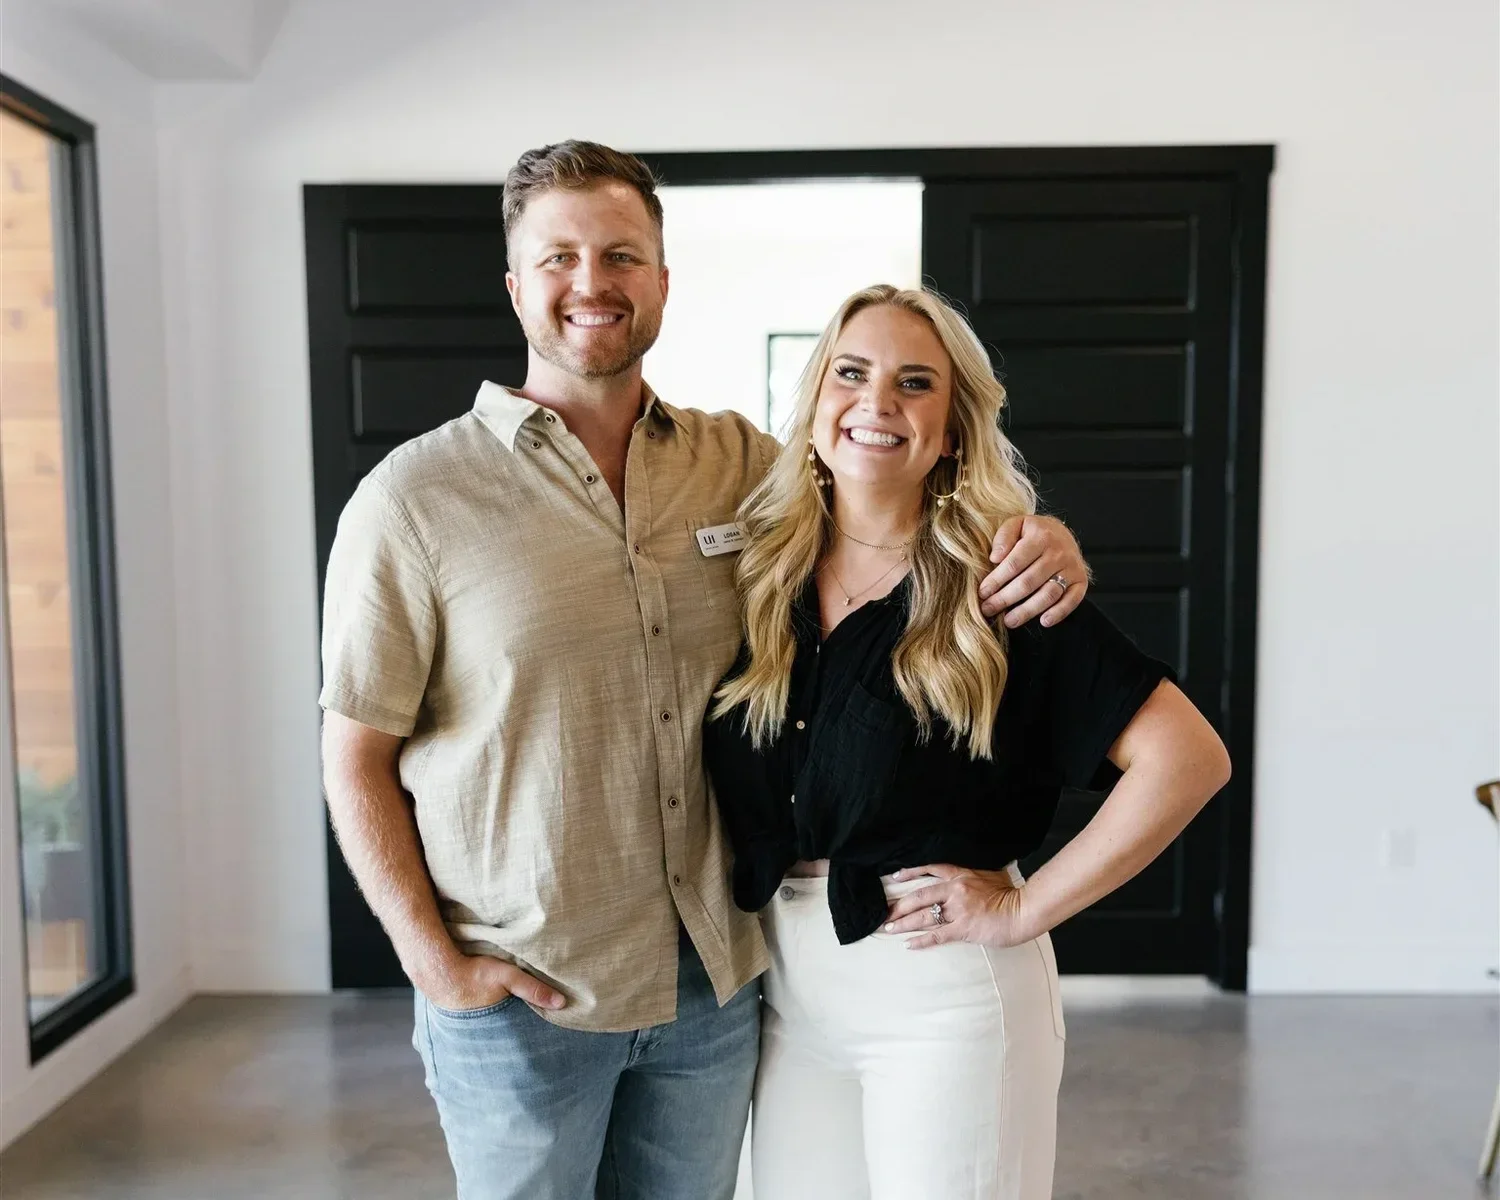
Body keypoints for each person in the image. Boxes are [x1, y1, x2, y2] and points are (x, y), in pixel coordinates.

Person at [318, 142, 1092, 1200]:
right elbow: (356, 751)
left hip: (715, 992)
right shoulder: (414, 499)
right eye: (558, 258)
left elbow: (888, 475)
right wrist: (431, 962)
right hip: (526, 1000)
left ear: (664, 281)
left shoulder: (742, 468)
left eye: (621, 255)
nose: (591, 283)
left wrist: (1036, 533)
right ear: (514, 285)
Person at [705, 284, 1233, 1200]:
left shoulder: (1002, 585)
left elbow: (1188, 760)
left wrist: (1025, 912)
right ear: (815, 403)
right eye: (851, 373)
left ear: (951, 431)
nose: (877, 403)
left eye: (915, 384)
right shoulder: (759, 571)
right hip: (786, 990)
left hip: (943, 995)